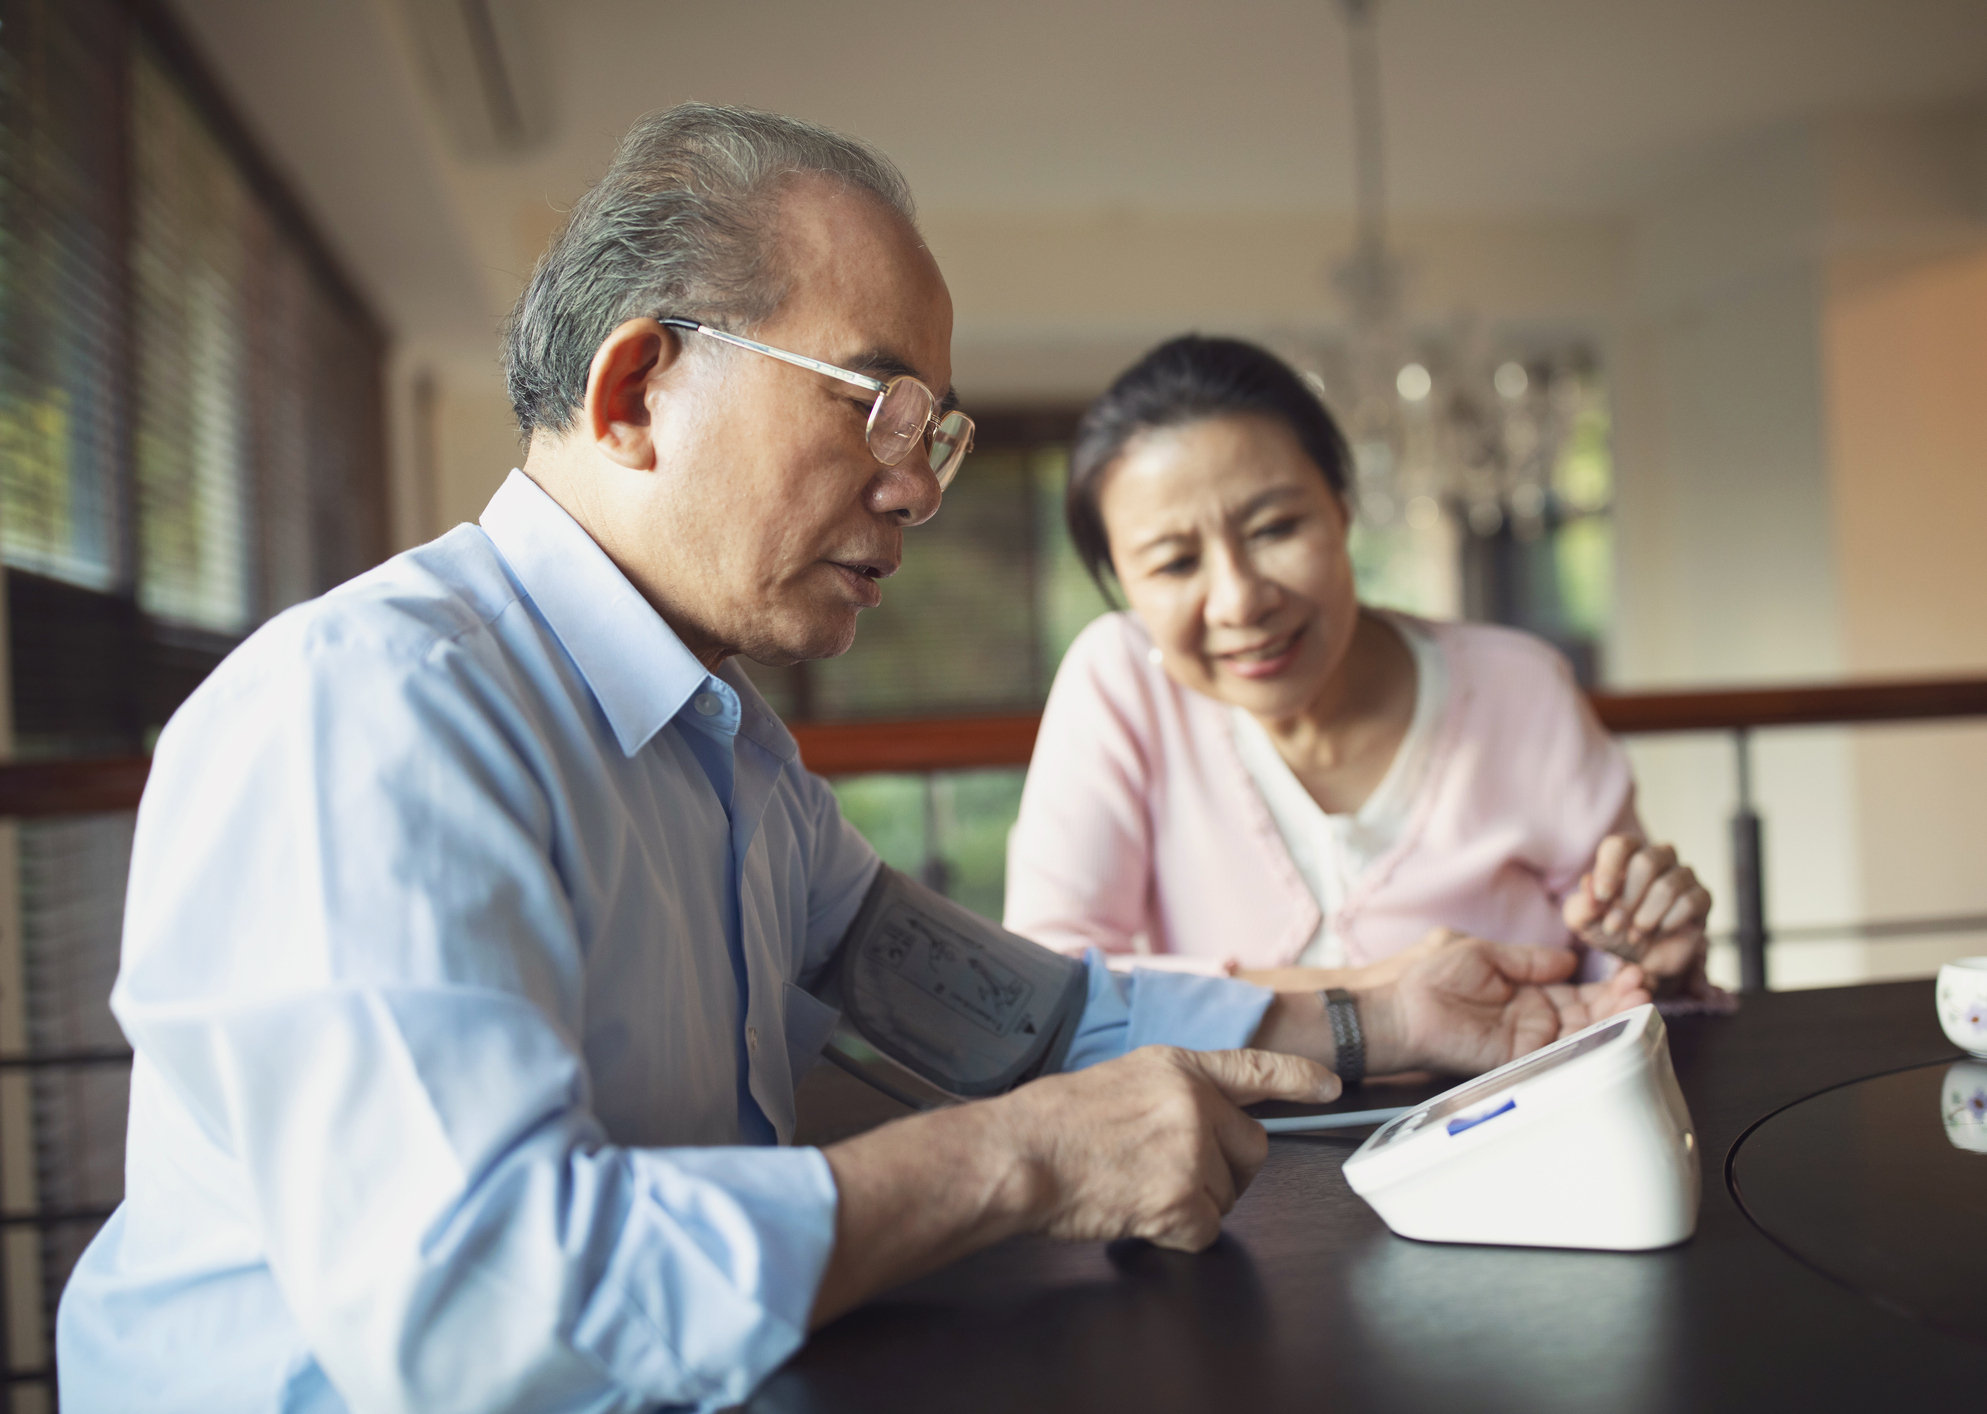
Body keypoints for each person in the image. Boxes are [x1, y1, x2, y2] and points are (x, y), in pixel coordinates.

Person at [56, 111, 1648, 1412]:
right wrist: (1026, 1160)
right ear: (634, 391)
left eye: (939, 434)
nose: (919, 488)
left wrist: (1383, 1011)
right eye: (883, 408)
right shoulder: (372, 713)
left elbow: (1015, 1015)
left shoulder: (732, 757)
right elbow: (489, 1311)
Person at [1007, 335, 1718, 1003]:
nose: (1239, 600)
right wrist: (1376, 999)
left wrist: (1656, 963)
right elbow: (1049, 985)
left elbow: (1614, 973)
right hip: (1239, 1135)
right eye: (1174, 563)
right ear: (1126, 588)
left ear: (1341, 512)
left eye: (1275, 529)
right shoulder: (1120, 682)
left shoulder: (1517, 687)